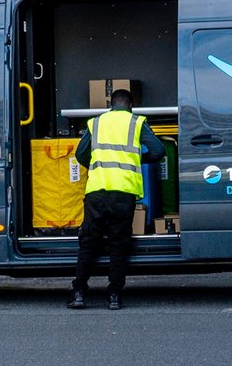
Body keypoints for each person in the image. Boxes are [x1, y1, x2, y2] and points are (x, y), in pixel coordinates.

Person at [68, 88, 166, 310]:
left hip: (97, 190)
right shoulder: (136, 122)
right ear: (130, 106)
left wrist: (97, 166)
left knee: (89, 243)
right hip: (123, 192)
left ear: (111, 105)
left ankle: (79, 293)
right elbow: (159, 151)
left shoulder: (97, 123)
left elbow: (81, 154)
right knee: (118, 244)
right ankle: (114, 296)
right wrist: (138, 158)